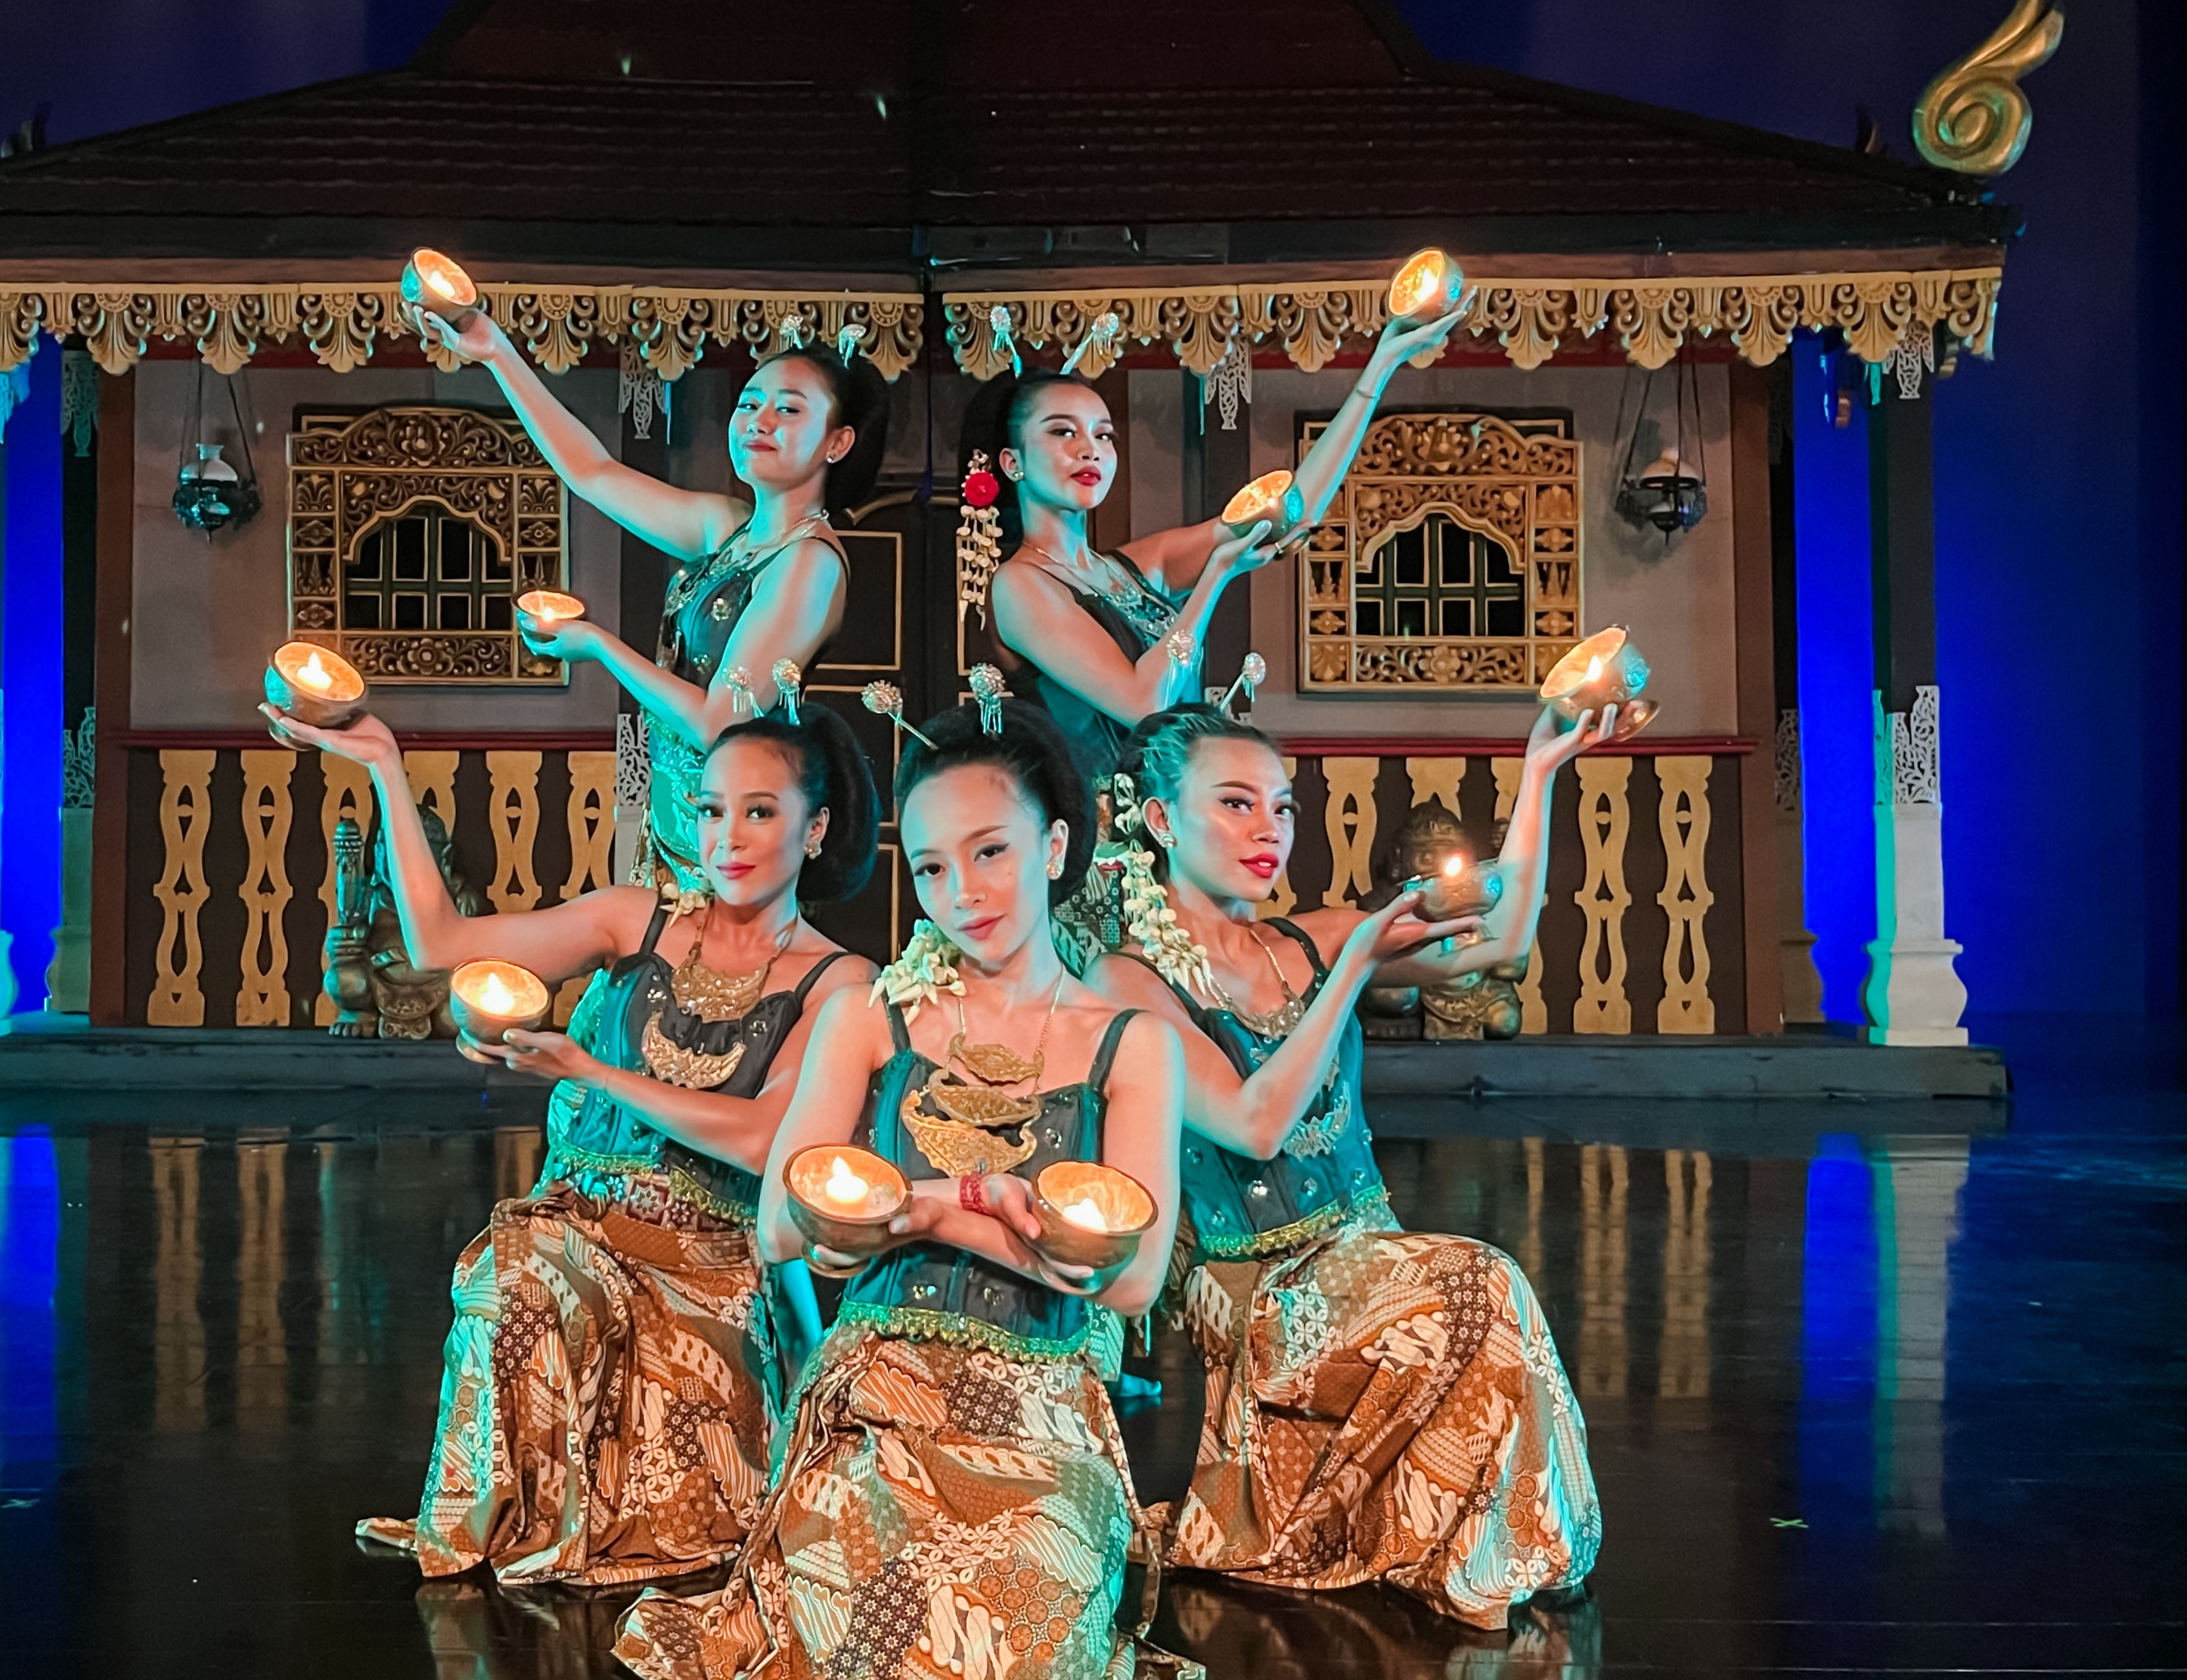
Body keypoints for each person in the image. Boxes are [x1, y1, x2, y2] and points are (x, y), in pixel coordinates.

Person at [618, 699, 1193, 1680]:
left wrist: (930, 1213)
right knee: (888, 1611)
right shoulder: (870, 1018)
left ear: (1054, 844)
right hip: (877, 1386)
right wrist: (929, 1221)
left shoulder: (1129, 1040)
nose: (961, 892)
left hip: (1043, 1395)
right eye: (931, 867)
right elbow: (779, 1224)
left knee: (1008, 1622)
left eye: (989, 852)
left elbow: (1135, 1281)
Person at [259, 694, 878, 1588]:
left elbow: (762, 1140)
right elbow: (441, 944)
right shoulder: (637, 919)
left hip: (705, 1264)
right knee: (511, 1265)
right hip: (579, 1223)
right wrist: (386, 768)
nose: (727, 836)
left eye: (760, 812)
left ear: (813, 829)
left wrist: (588, 1069)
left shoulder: (836, 979)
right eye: (710, 810)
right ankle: (517, 1522)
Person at [1084, 702, 1610, 1630]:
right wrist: (1353, 968)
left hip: (1365, 1256)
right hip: (1260, 1294)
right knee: (1485, 1278)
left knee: (1483, 1287)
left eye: (1281, 808)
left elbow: (1499, 936)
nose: (1267, 830)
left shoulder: (1306, 938)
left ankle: (1494, 1553)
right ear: (1159, 820)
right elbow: (1254, 1124)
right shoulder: (1126, 982)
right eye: (1236, 803)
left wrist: (1538, 771)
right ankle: (1480, 1561)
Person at [420, 299, 891, 889]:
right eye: (748, 403)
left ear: (837, 442)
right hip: (673, 822)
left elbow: (719, 721)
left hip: (730, 844)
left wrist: (598, 645)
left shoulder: (810, 564)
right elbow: (592, 472)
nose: (757, 421)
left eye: (787, 410)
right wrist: (496, 353)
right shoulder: (729, 528)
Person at [955, 296, 1470, 791]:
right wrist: (1216, 574)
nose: (1090, 448)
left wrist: (1378, 367)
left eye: (1104, 434)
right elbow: (1144, 702)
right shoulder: (1018, 586)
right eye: (1062, 432)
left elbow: (1289, 511)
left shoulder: (1133, 567)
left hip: (1178, 825)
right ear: (1011, 462)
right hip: (1104, 854)